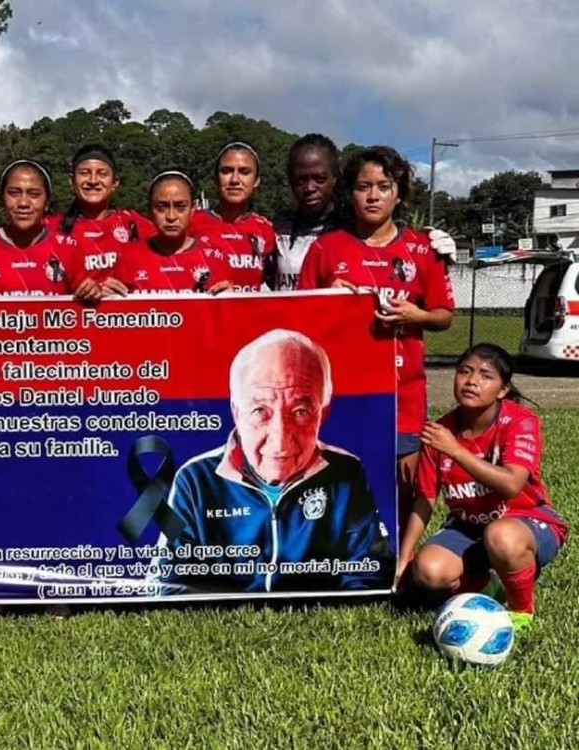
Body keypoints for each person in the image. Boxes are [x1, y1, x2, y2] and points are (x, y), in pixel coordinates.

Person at [153, 329, 391, 593]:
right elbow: (168, 583)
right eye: (260, 411)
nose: (280, 441)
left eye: (300, 411)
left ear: (323, 412)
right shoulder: (195, 480)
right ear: (236, 412)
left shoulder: (346, 472)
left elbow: (370, 573)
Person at [296, 146, 456, 535]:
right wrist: (327, 301)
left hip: (403, 395)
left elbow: (444, 315)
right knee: (338, 481)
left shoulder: (422, 249)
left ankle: (398, 561)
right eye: (363, 186)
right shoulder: (326, 249)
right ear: (350, 193)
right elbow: (300, 320)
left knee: (402, 487)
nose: (373, 196)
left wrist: (417, 316)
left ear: (399, 194)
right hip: (343, 392)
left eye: (383, 186)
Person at [398, 344, 568, 632]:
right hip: (468, 528)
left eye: (486, 376)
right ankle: (489, 585)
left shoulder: (520, 422)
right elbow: (425, 498)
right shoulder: (440, 432)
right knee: (429, 572)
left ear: (503, 390)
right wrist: (405, 557)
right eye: (465, 371)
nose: (472, 381)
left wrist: (455, 450)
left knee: (501, 536)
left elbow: (511, 485)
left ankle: (520, 610)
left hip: (527, 522)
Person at [271, 134, 457, 290]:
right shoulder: (275, 228)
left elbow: (394, 240)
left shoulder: (355, 225)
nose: (310, 188)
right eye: (300, 180)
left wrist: (431, 244)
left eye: (319, 179)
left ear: (335, 178)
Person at [0, 159, 100, 301]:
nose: (23, 203)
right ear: (2, 198)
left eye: (34, 195)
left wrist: (92, 291)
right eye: (14, 193)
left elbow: (86, 303)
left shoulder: (67, 248)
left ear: (47, 202)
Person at [103, 171, 233, 295]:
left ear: (192, 209)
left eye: (180, 207)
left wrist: (232, 299)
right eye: (162, 208)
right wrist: (106, 296)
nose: (171, 216)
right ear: (150, 210)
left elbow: (227, 309)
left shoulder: (215, 258)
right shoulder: (129, 257)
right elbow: (115, 307)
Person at [48, 144, 155, 280]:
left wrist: (127, 284)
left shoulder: (132, 223)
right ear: (72, 180)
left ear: (115, 182)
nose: (93, 180)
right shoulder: (53, 228)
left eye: (102, 174)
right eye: (84, 173)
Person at [188, 141, 276, 292]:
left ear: (256, 180)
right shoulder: (190, 223)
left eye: (244, 172)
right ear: (216, 178)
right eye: (226, 171)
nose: (234, 180)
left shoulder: (267, 230)